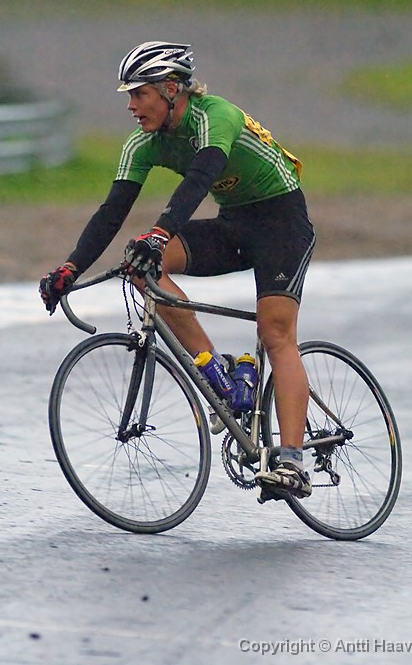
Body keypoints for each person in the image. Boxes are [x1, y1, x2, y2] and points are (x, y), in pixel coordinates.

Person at [40, 41, 316, 500]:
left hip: (281, 222)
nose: (131, 106)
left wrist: (160, 232)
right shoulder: (142, 144)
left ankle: (292, 461)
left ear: (171, 89)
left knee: (275, 333)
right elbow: (112, 212)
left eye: (139, 94)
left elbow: (200, 179)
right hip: (234, 224)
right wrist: (69, 268)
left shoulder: (216, 116)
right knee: (141, 265)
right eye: (129, 95)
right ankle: (217, 369)